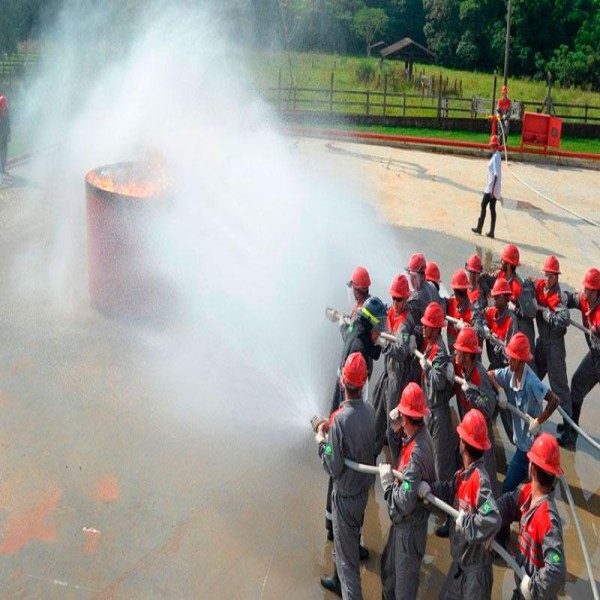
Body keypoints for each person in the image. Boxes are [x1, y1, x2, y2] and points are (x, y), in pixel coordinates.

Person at [418, 409, 501, 600]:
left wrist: (468, 522)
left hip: (475, 574)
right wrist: (430, 488)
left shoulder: (479, 481)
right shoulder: (463, 476)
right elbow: (449, 490)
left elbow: (492, 516)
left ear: (463, 444)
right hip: (460, 564)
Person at [315, 352, 376, 598]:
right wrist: (332, 436)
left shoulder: (340, 420)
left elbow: (333, 466)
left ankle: (345, 588)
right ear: (363, 383)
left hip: (346, 496)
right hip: (362, 493)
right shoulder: (370, 412)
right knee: (345, 545)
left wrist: (322, 442)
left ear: (343, 383)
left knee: (348, 564)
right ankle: (337, 582)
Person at [326, 295, 385, 546]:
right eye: (378, 328)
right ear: (369, 324)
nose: (380, 332)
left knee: (338, 465)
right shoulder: (359, 348)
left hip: (343, 408)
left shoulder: (355, 332)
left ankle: (333, 524)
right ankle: (336, 527)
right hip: (346, 410)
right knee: (340, 467)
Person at [378, 383, 436, 600]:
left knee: (403, 591)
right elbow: (397, 445)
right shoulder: (417, 436)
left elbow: (404, 502)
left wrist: (388, 487)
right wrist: (393, 425)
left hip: (409, 530)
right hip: (402, 527)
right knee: (388, 574)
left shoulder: (417, 454)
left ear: (407, 417)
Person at [496, 433, 567, 599]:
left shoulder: (547, 520)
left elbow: (556, 570)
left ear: (532, 469)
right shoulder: (528, 493)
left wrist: (532, 586)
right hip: (522, 588)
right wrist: (486, 518)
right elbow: (506, 504)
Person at [487, 333, 559, 494]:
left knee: (533, 492)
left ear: (522, 361)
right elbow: (490, 374)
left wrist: (539, 421)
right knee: (508, 489)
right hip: (522, 446)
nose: (509, 361)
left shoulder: (532, 382)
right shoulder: (509, 373)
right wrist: (500, 390)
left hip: (532, 448)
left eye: (513, 359)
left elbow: (554, 400)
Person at [412, 301, 455, 537]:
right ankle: (435, 502)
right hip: (430, 411)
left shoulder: (438, 351)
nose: (423, 328)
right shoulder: (430, 346)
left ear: (436, 329)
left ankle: (449, 516)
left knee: (443, 466)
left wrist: (428, 367)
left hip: (438, 413)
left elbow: (439, 381)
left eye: (427, 325)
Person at [371, 274, 415, 462]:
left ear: (406, 299)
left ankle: (399, 463)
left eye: (399, 299)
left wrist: (383, 344)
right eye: (393, 298)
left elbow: (402, 351)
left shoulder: (405, 323)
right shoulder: (392, 313)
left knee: (393, 427)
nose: (395, 302)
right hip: (387, 373)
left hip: (397, 378)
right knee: (377, 415)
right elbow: (380, 319)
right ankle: (371, 454)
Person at [453, 327, 499, 495]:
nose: (455, 352)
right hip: (467, 433)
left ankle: (493, 513)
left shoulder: (480, 374)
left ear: (466, 355)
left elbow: (488, 408)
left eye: (458, 350)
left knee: (487, 476)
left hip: (482, 436)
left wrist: (471, 394)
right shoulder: (459, 367)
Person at [533, 256, 572, 448]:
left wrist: (545, 313)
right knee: (532, 377)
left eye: (551, 275)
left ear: (557, 277)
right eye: (546, 274)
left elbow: (563, 320)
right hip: (542, 344)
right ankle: (530, 412)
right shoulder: (540, 287)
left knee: (560, 387)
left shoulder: (559, 299)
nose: (547, 278)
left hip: (555, 347)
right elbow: (528, 285)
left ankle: (569, 429)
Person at [562, 267, 600, 449]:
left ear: (596, 291)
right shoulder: (586, 301)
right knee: (577, 384)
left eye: (588, 290)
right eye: (584, 288)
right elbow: (571, 298)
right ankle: (571, 432)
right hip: (595, 357)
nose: (584, 292)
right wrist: (560, 303)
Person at [471, 135, 501, 239]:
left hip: (492, 187)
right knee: (492, 208)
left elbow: (496, 175)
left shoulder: (496, 157)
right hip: (493, 186)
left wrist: (492, 190)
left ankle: (480, 228)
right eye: (491, 146)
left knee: (483, 204)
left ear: (496, 146)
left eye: (492, 146)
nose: (491, 148)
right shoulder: (497, 155)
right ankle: (491, 232)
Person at [406, 253, 440, 325]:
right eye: (410, 275)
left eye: (414, 277)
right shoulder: (433, 288)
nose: (411, 280)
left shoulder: (414, 299)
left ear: (423, 275)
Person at [340, 266, 371, 340]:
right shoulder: (371, 304)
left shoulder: (359, 313)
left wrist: (342, 326)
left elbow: (348, 335)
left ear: (356, 291)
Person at [446, 269, 473, 353]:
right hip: (453, 352)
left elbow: (478, 334)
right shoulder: (450, 302)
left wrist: (466, 328)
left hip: (466, 355)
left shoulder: (473, 312)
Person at [0, 95, 10, 182]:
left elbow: (8, 122)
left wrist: (8, 134)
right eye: (3, 106)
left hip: (4, 137)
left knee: (4, 153)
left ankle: (2, 169)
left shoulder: (6, 112)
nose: (4, 108)